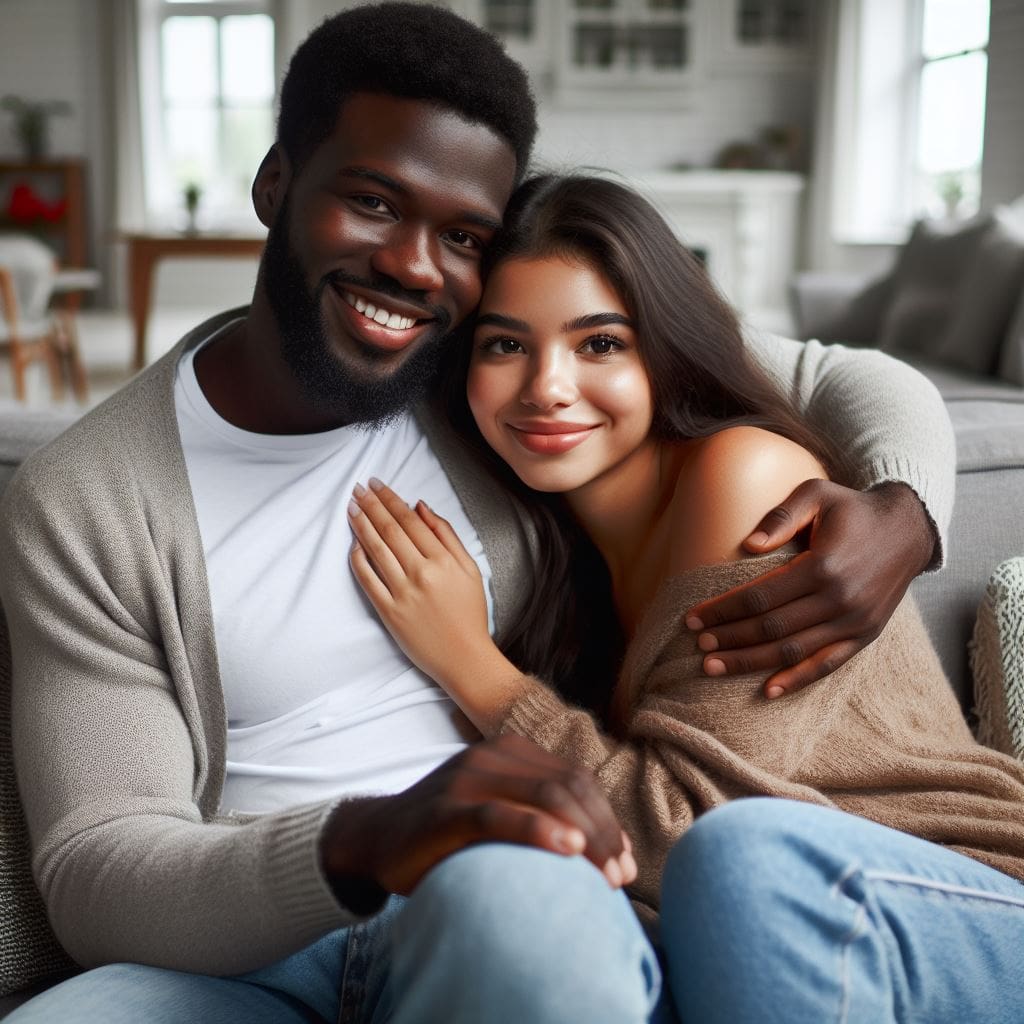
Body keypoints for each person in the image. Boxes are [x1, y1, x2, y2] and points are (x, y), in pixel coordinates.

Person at [0, 5, 956, 1022]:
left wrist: (903, 508)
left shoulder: (483, 362)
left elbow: (837, 376)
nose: (416, 267)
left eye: (462, 236)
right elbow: (98, 867)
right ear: (276, 182)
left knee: (531, 941)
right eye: (373, 201)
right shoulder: (86, 499)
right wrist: (365, 838)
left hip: (499, 887)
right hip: (247, 952)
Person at [345, 172, 1024, 1023]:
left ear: (662, 352)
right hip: (767, 952)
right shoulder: (559, 545)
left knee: (739, 856)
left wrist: (468, 664)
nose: (547, 388)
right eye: (505, 345)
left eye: (600, 344)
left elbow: (680, 829)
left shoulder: (745, 479)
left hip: (954, 897)